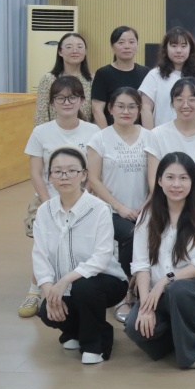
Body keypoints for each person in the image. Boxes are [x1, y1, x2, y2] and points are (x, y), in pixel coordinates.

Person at [124, 152, 195, 369]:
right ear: (159, 181)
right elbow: (141, 264)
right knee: (134, 327)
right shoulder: (147, 215)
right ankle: (178, 336)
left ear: (193, 182)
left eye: (183, 178)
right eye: (170, 177)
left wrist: (166, 280)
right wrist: (145, 303)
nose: (176, 184)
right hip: (158, 291)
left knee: (179, 290)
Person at [32, 147, 128, 364]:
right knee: (47, 313)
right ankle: (80, 330)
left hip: (105, 282)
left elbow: (102, 257)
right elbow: (39, 257)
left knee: (84, 288)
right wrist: (49, 292)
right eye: (57, 171)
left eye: (71, 171)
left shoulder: (99, 209)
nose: (64, 176)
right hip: (66, 286)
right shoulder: (44, 211)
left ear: (84, 175)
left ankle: (95, 345)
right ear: (50, 177)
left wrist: (65, 280)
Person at [20, 75, 100, 318]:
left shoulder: (93, 131)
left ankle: (77, 288)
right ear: (53, 102)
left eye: (72, 97)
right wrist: (49, 204)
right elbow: (35, 173)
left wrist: (85, 200)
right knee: (44, 245)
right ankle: (35, 291)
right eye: (61, 98)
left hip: (83, 199)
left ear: (82, 101)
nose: (67, 102)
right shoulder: (41, 132)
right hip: (48, 198)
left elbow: (95, 172)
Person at [86, 87, 151, 322]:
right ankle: (126, 292)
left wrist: (146, 205)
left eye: (132, 106)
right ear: (111, 109)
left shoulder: (150, 137)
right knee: (131, 235)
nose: (126, 111)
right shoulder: (99, 139)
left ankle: (147, 289)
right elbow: (94, 179)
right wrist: (119, 207)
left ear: (139, 110)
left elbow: (157, 179)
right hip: (108, 210)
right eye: (120, 106)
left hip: (146, 208)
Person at [144, 78, 195, 201]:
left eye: (192, 99)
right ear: (172, 103)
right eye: (179, 100)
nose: (185, 105)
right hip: (168, 200)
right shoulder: (157, 135)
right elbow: (153, 181)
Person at [138, 26, 195, 129]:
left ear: (190, 48)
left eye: (183, 46)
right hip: (163, 135)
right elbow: (145, 108)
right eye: (174, 46)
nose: (178, 50)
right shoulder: (155, 75)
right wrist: (150, 135)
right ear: (166, 48)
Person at [91, 26, 151, 128]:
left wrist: (147, 134)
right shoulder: (103, 73)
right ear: (112, 47)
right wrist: (106, 134)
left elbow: (147, 108)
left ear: (137, 45)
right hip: (112, 129)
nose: (127, 46)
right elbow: (97, 109)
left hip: (139, 131)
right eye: (121, 42)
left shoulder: (146, 73)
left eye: (131, 42)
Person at [34, 32, 93, 125]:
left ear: (85, 51)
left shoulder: (92, 80)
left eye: (80, 47)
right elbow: (41, 115)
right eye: (69, 47)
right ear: (60, 52)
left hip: (85, 132)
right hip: (54, 132)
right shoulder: (48, 79)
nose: (75, 50)